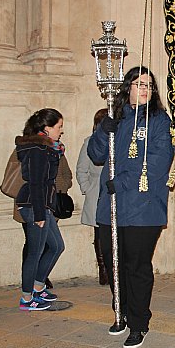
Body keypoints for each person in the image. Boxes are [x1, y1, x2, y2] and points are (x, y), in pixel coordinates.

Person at [88, 66, 173, 348]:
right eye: (139, 84)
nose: (145, 88)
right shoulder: (116, 116)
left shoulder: (160, 121)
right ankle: (121, 311)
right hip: (110, 207)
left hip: (143, 206)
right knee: (113, 264)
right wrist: (103, 131)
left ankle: (139, 323)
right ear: (128, 88)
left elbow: (158, 163)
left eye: (149, 84)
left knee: (136, 266)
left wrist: (122, 182)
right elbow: (96, 154)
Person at [15, 108, 66, 311]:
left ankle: (38, 286)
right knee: (35, 252)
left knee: (56, 246)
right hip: (34, 205)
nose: (61, 131)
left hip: (43, 204)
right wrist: (38, 214)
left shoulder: (47, 147)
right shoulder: (37, 148)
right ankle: (27, 299)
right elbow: (36, 182)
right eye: (59, 127)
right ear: (47, 128)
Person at [77, 108, 108, 285]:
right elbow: (82, 169)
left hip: (117, 192)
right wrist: (88, 189)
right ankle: (103, 270)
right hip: (97, 191)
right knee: (100, 233)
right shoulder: (90, 142)